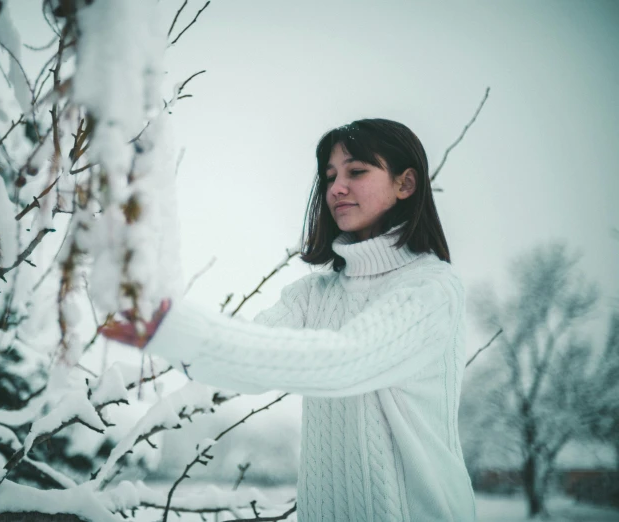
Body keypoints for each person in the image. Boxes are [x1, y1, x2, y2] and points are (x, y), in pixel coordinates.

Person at [100, 119, 477, 521]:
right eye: (329, 176)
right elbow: (245, 357)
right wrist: (157, 315)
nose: (336, 187)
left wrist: (175, 328)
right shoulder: (313, 295)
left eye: (357, 171)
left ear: (405, 185)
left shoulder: (432, 290)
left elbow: (345, 362)